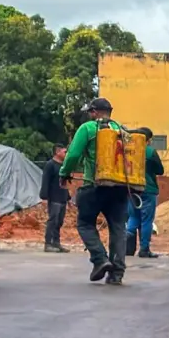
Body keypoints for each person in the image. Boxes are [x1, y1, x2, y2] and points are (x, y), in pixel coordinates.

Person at [59, 96, 135, 286]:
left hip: (93, 186)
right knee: (118, 228)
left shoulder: (88, 128)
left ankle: (100, 259)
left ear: (94, 112)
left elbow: (73, 155)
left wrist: (64, 173)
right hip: (119, 188)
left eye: (90, 112)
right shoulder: (122, 131)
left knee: (85, 224)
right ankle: (117, 273)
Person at [131, 133, 165, 258]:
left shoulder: (128, 149)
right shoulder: (150, 152)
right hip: (148, 189)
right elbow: (160, 170)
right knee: (146, 220)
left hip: (131, 189)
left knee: (133, 217)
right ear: (148, 139)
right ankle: (144, 249)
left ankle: (124, 246)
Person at [39, 149, 70, 252]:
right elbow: (45, 181)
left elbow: (64, 183)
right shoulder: (50, 165)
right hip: (54, 198)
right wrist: (44, 197)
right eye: (64, 152)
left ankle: (56, 243)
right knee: (53, 221)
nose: (66, 154)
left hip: (62, 198)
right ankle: (48, 244)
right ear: (57, 152)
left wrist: (68, 197)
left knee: (59, 222)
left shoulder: (63, 166)